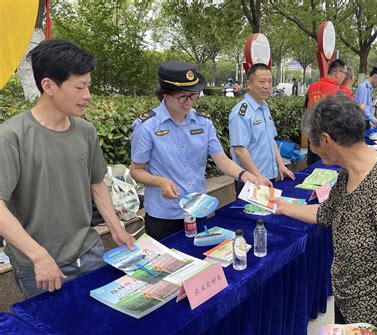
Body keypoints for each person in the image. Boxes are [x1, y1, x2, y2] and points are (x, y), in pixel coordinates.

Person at [273, 96, 377, 335]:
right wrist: (280, 206)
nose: (312, 148)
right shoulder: (346, 176)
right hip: (350, 306)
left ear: (327, 140)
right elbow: (327, 213)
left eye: (312, 141)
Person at [0, 39, 134, 298]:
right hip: (41, 266)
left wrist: (116, 227)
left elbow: (97, 184)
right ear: (48, 85)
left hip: (90, 251)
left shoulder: (85, 131)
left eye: (89, 86)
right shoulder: (11, 137)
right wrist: (38, 256)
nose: (88, 95)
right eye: (80, 87)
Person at [130, 61, 261, 240]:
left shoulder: (203, 122)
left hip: (198, 209)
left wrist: (244, 175)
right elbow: (136, 170)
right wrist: (160, 181)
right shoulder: (146, 127)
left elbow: (221, 159)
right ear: (165, 94)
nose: (189, 102)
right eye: (183, 97)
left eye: (193, 96)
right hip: (164, 215)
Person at [229, 63, 295, 196]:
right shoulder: (241, 113)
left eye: (270, 82)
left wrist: (281, 165)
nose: (267, 86)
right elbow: (240, 150)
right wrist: (257, 176)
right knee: (251, 216)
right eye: (262, 82)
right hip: (251, 179)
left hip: (268, 175)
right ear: (249, 84)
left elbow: (271, 139)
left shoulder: (264, 107)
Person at [304, 59, 348, 165]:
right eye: (345, 73)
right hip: (327, 139)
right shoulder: (337, 92)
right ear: (337, 73)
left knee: (311, 166)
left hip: (312, 134)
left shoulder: (312, 86)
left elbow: (306, 107)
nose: (345, 77)